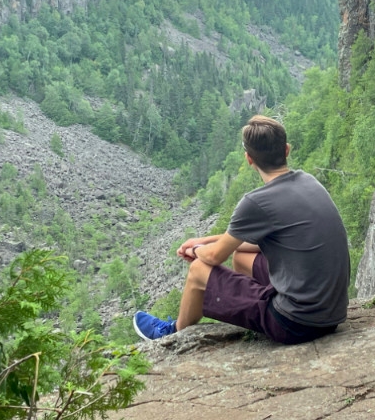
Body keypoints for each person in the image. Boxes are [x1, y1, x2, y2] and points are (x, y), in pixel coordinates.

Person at [133, 115, 350, 345]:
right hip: (331, 314)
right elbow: (251, 242)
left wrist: (197, 250)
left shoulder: (257, 202)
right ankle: (255, 309)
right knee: (243, 256)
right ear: (286, 150)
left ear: (249, 159)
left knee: (198, 270)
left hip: (296, 324)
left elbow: (216, 256)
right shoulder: (309, 182)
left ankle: (172, 333)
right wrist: (206, 241)